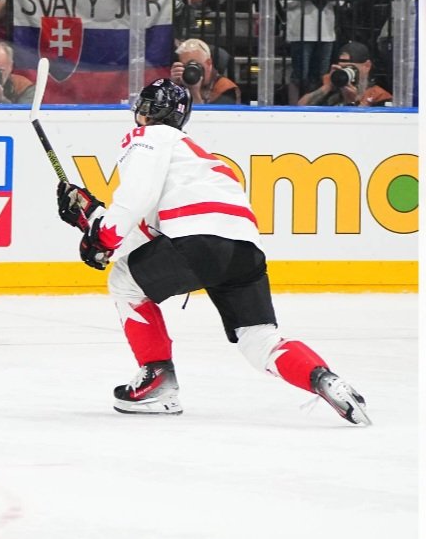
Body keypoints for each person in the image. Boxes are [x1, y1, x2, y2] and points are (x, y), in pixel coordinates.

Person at [56, 78, 370, 425]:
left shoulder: (147, 137)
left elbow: (136, 198)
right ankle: (325, 379)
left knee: (125, 281)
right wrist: (93, 219)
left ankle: (158, 382)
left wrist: (101, 238)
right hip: (243, 249)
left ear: (144, 112)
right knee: (259, 339)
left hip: (196, 242)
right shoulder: (197, 159)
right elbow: (151, 230)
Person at [297, 40, 392, 107]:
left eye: (351, 68)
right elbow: (300, 109)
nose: (346, 72)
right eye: (343, 68)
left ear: (367, 66)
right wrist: (327, 87)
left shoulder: (379, 95)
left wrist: (353, 102)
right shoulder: (329, 85)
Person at [169, 38, 239, 104]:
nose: (191, 72)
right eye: (186, 66)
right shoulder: (180, 82)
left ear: (208, 63)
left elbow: (212, 116)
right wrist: (171, 86)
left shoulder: (224, 87)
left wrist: (194, 92)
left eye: (196, 65)